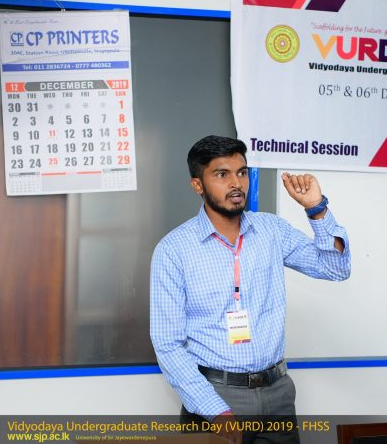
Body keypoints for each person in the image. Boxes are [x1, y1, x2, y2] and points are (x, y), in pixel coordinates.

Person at [150, 135, 351, 444]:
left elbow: (335, 269)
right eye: (222, 174)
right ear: (197, 185)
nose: (236, 183)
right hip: (216, 397)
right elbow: (168, 343)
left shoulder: (272, 230)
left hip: (277, 394)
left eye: (241, 172)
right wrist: (214, 410)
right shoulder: (174, 250)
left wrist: (317, 209)